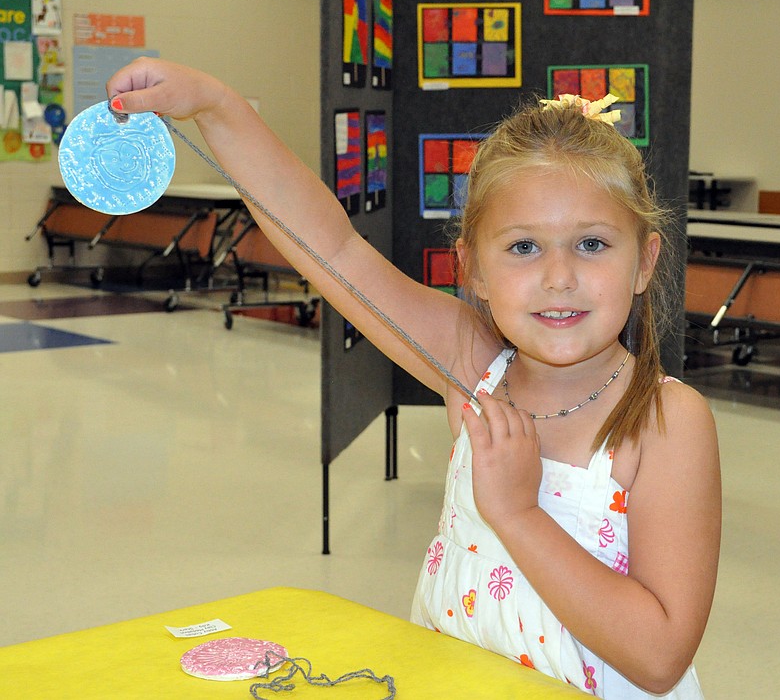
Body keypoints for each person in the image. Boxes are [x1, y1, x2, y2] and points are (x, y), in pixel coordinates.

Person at [108, 59, 721, 698]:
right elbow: (333, 250)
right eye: (523, 247)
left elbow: (658, 657)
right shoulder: (475, 366)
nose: (558, 277)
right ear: (473, 268)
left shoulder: (667, 422)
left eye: (592, 244)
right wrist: (218, 106)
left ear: (645, 260)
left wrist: (516, 513)